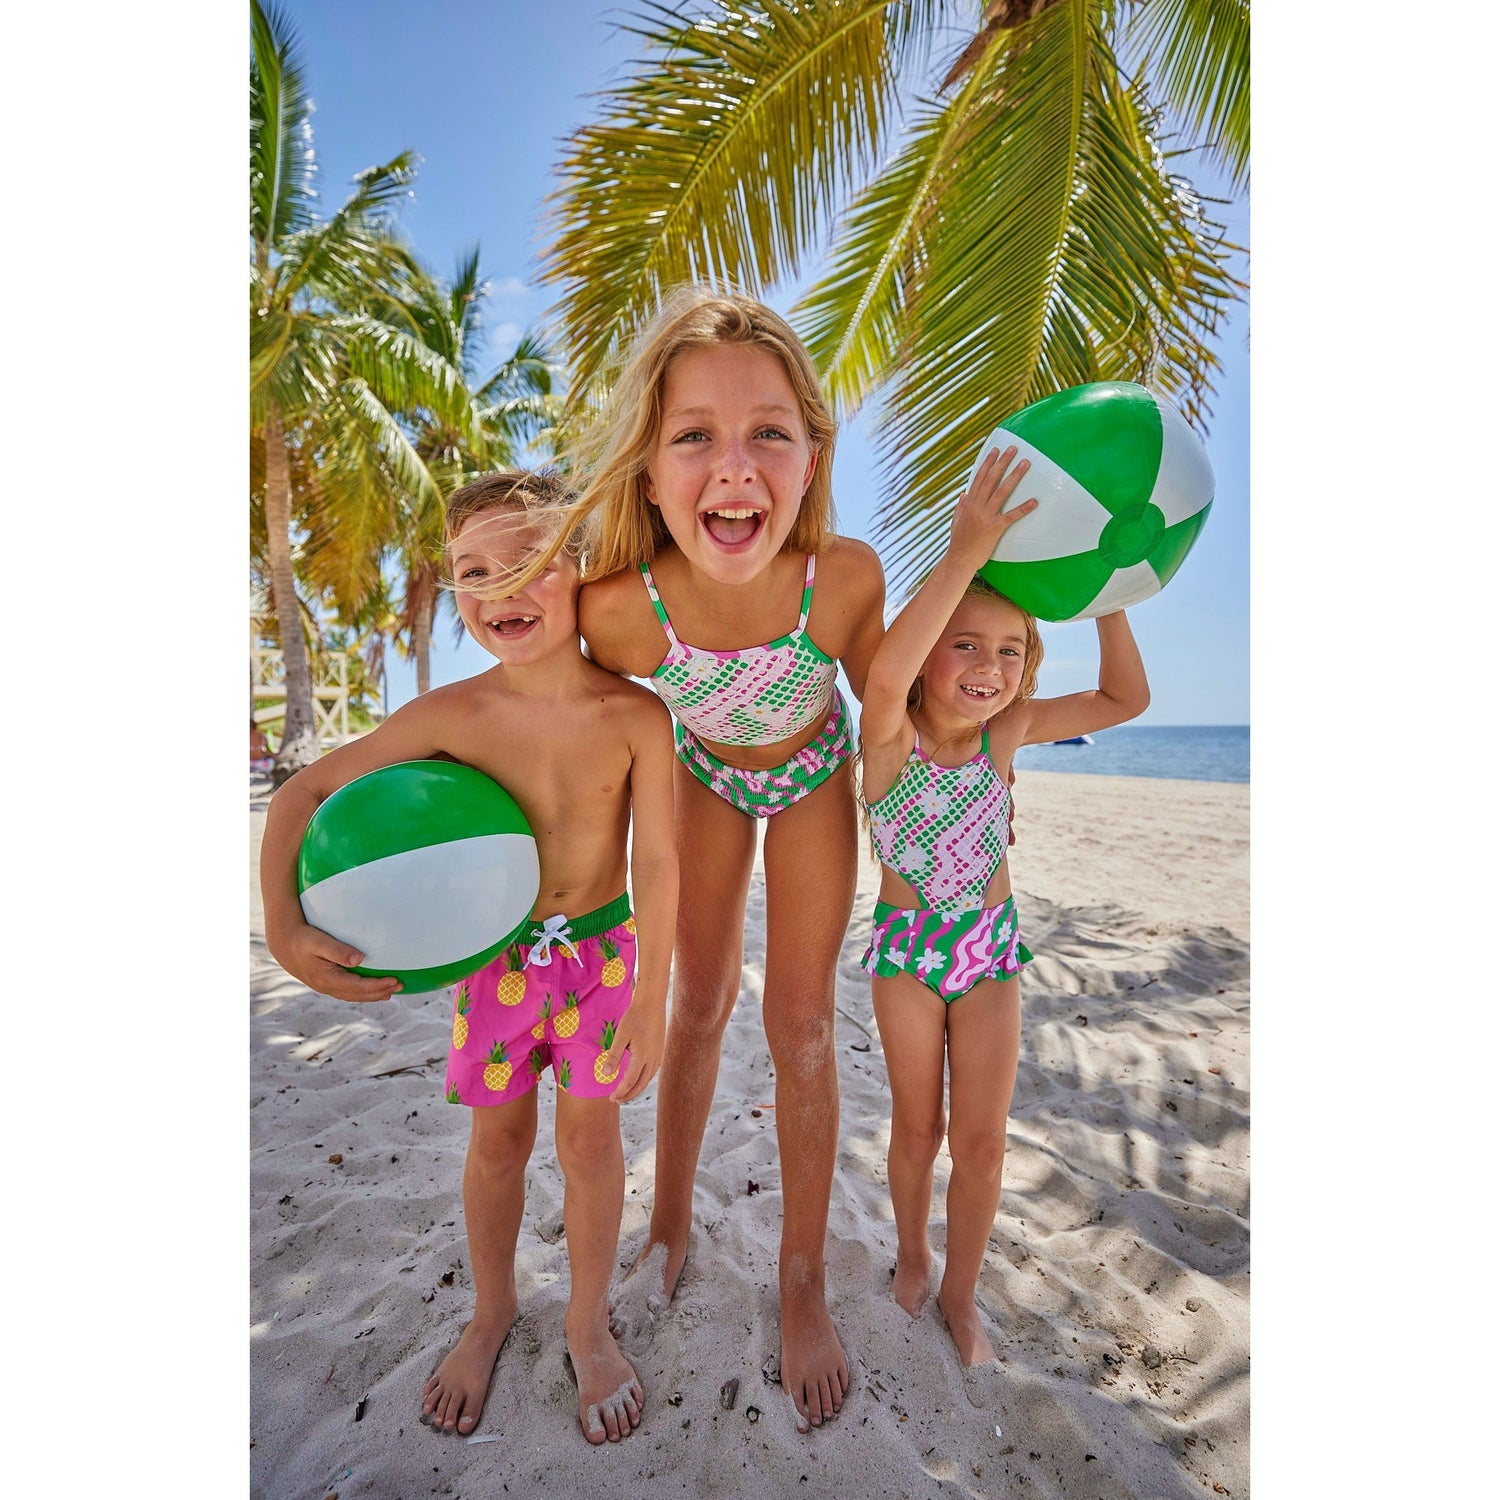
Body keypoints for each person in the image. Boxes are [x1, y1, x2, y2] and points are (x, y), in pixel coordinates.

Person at [515, 286, 885, 1431]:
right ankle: (668, 1230)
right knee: (701, 1001)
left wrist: (977, 790)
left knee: (803, 1023)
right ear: (647, 471)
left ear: (813, 458)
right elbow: (551, 714)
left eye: (770, 431)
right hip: (709, 778)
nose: (735, 468)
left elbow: (898, 732)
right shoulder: (622, 614)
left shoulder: (844, 582)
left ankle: (803, 1279)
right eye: (694, 436)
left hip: (813, 772)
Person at [259, 470, 678, 1444]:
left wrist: (653, 992)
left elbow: (658, 860)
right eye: (473, 572)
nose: (500, 589)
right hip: (496, 965)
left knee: (590, 1144)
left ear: (580, 566)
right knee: (498, 1144)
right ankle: (492, 1312)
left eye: (528, 560)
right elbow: (299, 796)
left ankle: (586, 1321)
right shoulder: (451, 717)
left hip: (603, 960)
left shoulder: (636, 716)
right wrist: (283, 929)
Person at [857, 445, 1149, 1366]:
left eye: (1010, 652)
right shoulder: (889, 738)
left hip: (990, 954)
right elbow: (882, 678)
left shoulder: (1008, 732)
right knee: (919, 1130)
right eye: (966, 645)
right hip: (908, 957)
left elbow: (1125, 697)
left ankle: (961, 1293)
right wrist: (965, 552)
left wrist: (1107, 593)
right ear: (927, 654)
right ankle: (913, 1252)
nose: (990, 666)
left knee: (981, 1146)